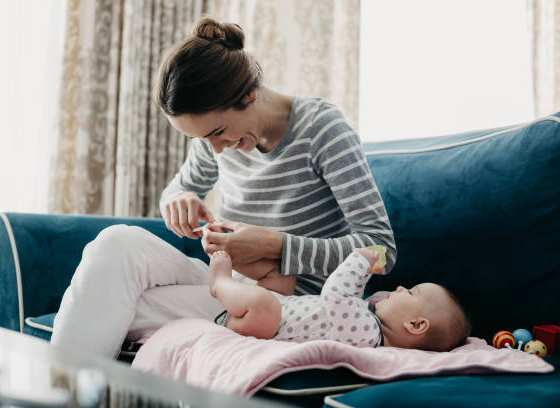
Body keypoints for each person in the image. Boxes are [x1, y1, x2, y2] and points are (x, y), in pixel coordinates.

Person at [50, 17, 396, 359]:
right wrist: (178, 199)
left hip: (288, 306)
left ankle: (61, 389)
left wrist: (276, 246)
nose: (215, 149)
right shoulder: (215, 138)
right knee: (115, 243)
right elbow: (181, 185)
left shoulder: (322, 129)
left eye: (217, 133)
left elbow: (381, 248)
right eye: (202, 139)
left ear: (250, 94)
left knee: (115, 303)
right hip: (230, 284)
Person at [209, 247, 471, 351]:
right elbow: (348, 301)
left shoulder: (369, 334)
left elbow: (335, 295)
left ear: (415, 325)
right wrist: (365, 275)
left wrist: (359, 261)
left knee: (263, 303)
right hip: (283, 308)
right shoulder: (367, 323)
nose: (401, 287)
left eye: (411, 292)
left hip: (259, 324)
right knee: (282, 271)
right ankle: (237, 287)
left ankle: (221, 283)